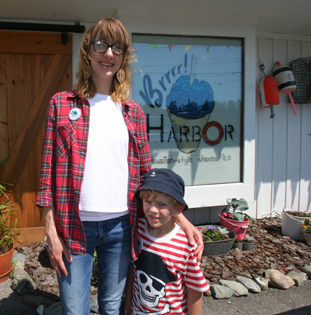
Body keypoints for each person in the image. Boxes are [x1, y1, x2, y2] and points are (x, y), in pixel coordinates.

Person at [36, 16, 204, 315]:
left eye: (117, 47)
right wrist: (50, 230)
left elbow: (148, 180)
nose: (109, 54)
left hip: (122, 227)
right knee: (74, 309)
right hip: (74, 226)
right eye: (101, 45)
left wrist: (182, 219)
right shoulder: (62, 104)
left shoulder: (133, 112)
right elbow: (47, 174)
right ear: (89, 51)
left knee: (112, 307)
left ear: (124, 56)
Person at [124, 168, 209, 315]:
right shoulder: (139, 229)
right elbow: (133, 268)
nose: (153, 210)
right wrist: (127, 303)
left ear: (178, 208)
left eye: (162, 205)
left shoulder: (186, 245)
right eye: (148, 201)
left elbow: (195, 289)